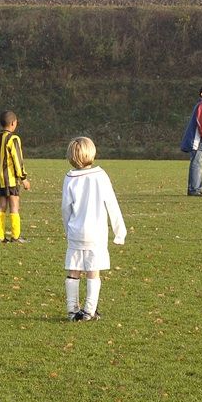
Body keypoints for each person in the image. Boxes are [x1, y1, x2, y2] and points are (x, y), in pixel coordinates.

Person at [62, 136, 125, 322]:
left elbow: (65, 208)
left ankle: (72, 309)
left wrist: (67, 229)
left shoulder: (69, 178)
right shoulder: (100, 176)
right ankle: (89, 310)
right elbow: (111, 204)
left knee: (73, 269)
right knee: (92, 270)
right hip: (96, 233)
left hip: (75, 232)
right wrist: (119, 231)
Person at [0, 111, 31, 242]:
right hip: (10, 178)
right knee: (14, 204)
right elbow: (17, 160)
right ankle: (15, 236)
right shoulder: (14, 139)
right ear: (13, 123)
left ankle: (0, 235)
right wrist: (23, 178)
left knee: (2, 204)